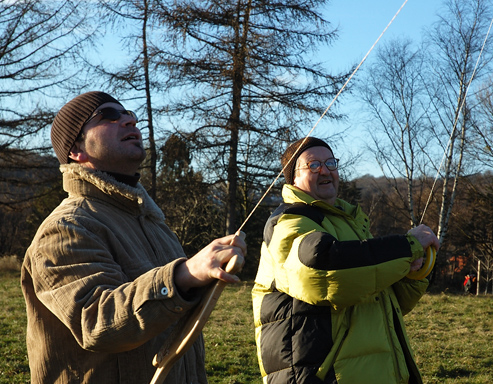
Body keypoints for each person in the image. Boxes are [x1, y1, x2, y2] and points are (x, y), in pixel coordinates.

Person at [21, 91, 247, 384]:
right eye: (109, 116)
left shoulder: (153, 223)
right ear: (76, 150)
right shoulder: (66, 228)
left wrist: (206, 275)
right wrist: (186, 274)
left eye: (129, 114)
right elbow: (97, 321)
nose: (128, 119)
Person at [252, 137, 440, 384]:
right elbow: (323, 269)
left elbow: (383, 301)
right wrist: (407, 247)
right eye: (314, 165)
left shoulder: (352, 225)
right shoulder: (288, 222)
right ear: (293, 179)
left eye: (330, 163)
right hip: (322, 375)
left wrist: (413, 272)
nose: (326, 170)